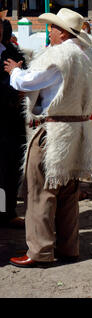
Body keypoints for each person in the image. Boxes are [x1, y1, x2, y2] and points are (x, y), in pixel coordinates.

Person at [4, 8, 92, 267]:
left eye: (53, 28)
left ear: (62, 32)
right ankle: (69, 247)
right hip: (78, 130)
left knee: (40, 192)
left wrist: (14, 71)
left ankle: (40, 251)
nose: (50, 31)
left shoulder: (59, 54)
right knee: (68, 191)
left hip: (53, 131)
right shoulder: (90, 55)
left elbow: (28, 82)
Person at [0, 15, 27, 229]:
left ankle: (7, 212)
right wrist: (13, 93)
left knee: (10, 170)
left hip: (12, 122)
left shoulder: (10, 53)